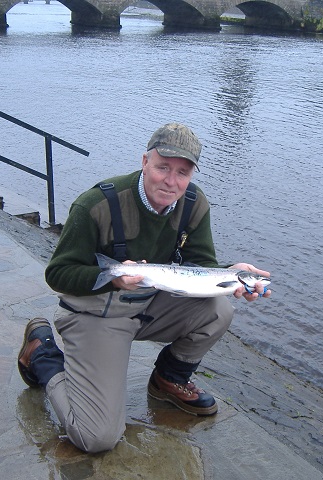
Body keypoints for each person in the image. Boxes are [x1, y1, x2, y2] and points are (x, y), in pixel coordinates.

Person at [17, 123, 271, 453]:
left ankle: (169, 379)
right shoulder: (96, 205)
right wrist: (113, 277)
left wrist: (230, 274)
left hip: (149, 305)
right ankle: (43, 354)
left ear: (191, 174)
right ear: (144, 162)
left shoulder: (193, 204)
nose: (171, 181)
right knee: (96, 438)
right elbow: (58, 274)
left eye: (182, 172)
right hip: (94, 313)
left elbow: (200, 268)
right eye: (163, 167)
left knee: (219, 309)